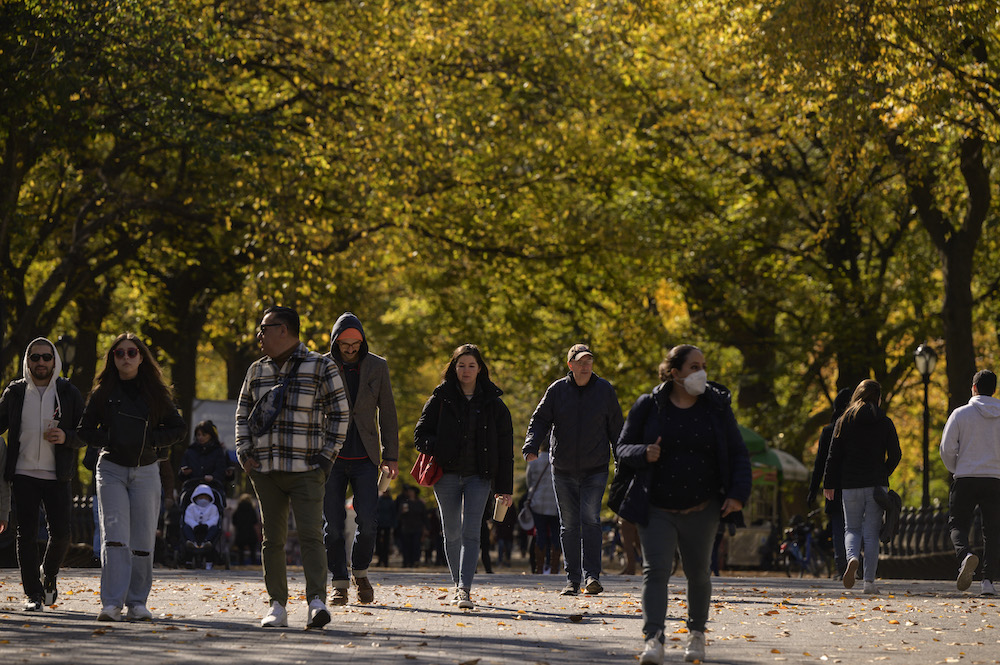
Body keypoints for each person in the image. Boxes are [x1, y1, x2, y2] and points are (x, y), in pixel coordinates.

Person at [614, 344, 751, 665]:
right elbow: (621, 447)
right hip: (656, 506)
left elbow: (738, 453)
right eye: (694, 367)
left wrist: (737, 494)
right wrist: (643, 452)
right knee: (655, 571)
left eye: (703, 365)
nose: (701, 372)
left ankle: (697, 634)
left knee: (698, 573)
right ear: (675, 373)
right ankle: (653, 639)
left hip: (702, 507)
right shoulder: (649, 406)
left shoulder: (716, 408)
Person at [235, 306, 350, 629]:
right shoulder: (256, 370)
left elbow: (341, 414)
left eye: (263, 328)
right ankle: (277, 606)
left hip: (307, 468)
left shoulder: (321, 366)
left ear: (283, 329)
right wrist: (244, 453)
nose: (259, 335)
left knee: (312, 535)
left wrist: (327, 456)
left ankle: (317, 603)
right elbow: (242, 414)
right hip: (265, 470)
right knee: (271, 539)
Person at [77, 333, 186, 622]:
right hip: (111, 468)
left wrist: (150, 439)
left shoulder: (156, 393)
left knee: (142, 540)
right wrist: (110, 437)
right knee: (114, 539)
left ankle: (137, 602)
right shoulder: (103, 392)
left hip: (146, 470)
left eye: (132, 352)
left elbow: (178, 428)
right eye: (119, 353)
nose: (125, 358)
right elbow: (84, 429)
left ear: (141, 357)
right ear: (112, 359)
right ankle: (111, 603)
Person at [413, 343, 514, 610]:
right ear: (453, 368)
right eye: (461, 365)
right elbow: (419, 436)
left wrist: (504, 488)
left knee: (472, 533)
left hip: (478, 478)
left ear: (480, 369)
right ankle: (458, 583)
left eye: (471, 365)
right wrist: (439, 446)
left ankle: (463, 589)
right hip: (445, 476)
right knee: (451, 532)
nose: (466, 370)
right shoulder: (440, 398)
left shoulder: (495, 404)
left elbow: (506, 451)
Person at [522, 343, 624, 596]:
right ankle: (572, 579)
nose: (585, 365)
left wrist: (621, 460)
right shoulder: (557, 390)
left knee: (590, 519)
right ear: (570, 365)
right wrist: (531, 444)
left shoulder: (604, 390)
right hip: (563, 468)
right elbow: (540, 419)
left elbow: (617, 429)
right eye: (580, 361)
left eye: (588, 361)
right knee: (568, 524)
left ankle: (592, 577)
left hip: (596, 467)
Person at [0, 337, 86, 611]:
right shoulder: (15, 392)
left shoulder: (68, 392)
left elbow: (85, 433)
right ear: (27, 361)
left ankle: (48, 573)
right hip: (23, 473)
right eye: (34, 357)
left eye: (46, 357)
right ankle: (32, 595)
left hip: (57, 474)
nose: (40, 362)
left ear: (54, 361)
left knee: (61, 534)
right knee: (25, 535)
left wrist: (66, 436)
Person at [322, 313, 399, 605]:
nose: (351, 349)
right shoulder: (323, 365)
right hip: (332, 457)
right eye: (345, 343)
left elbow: (388, 413)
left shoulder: (378, 366)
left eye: (356, 343)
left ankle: (362, 572)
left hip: (367, 456)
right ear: (336, 341)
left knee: (368, 520)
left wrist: (391, 456)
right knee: (333, 524)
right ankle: (339, 582)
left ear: (363, 342)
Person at [823, 379, 901, 595]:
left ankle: (853, 558)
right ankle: (869, 583)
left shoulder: (844, 420)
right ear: (878, 398)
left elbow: (833, 456)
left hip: (850, 484)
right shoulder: (884, 421)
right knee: (870, 533)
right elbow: (896, 454)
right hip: (876, 486)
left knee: (852, 528)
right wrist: (883, 472)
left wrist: (828, 483)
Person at [940, 369, 1000, 595]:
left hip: (966, 477)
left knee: (957, 524)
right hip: (995, 478)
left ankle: (965, 555)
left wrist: (958, 468)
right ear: (993, 390)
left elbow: (947, 449)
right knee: (993, 531)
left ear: (973, 388)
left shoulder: (960, 414)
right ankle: (988, 582)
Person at [807, 388, 852, 578]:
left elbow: (820, 464)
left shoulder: (828, 431)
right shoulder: (856, 429)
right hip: (854, 484)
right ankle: (854, 560)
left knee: (838, 527)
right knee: (855, 526)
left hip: (833, 487)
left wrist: (813, 489)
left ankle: (842, 567)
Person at [525, 444, 560, 574]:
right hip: (555, 503)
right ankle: (554, 567)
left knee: (540, 534)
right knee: (556, 535)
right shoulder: (557, 459)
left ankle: (539, 567)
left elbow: (529, 481)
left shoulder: (534, 461)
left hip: (538, 503)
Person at [179, 420, 229, 494]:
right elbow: (181, 472)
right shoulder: (190, 451)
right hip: (192, 488)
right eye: (198, 435)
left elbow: (221, 469)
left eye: (204, 435)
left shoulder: (218, 451)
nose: (200, 437)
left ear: (210, 435)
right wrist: (184, 473)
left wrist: (213, 477)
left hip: (213, 488)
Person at [183, 483, 221, 565]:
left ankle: (206, 542)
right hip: (194, 530)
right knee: (186, 527)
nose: (203, 499)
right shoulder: (191, 507)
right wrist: (195, 525)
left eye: (205, 497)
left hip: (207, 530)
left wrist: (207, 525)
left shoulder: (213, 507)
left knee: (215, 528)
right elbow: (188, 518)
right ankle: (192, 542)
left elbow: (215, 518)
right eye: (201, 497)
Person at [231, 493, 261, 565]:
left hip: (240, 532)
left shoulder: (238, 509)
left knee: (241, 550)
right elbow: (255, 521)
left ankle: (241, 562)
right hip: (250, 531)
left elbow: (234, 521)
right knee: (252, 549)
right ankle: (253, 563)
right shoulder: (252, 509)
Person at [375, 489, 397, 567]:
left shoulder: (391, 502)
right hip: (379, 524)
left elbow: (394, 514)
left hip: (387, 525)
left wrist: (393, 525)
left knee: (386, 543)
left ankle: (385, 560)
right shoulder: (378, 500)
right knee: (378, 543)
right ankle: (379, 559)